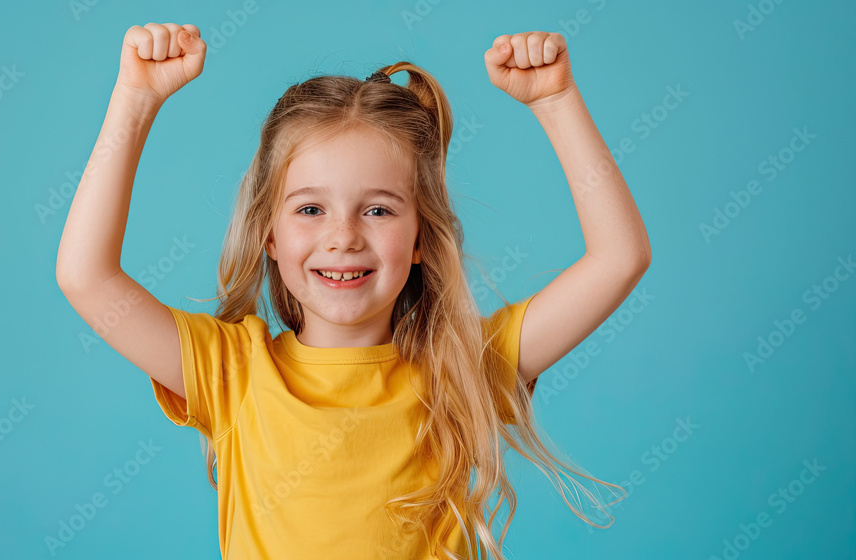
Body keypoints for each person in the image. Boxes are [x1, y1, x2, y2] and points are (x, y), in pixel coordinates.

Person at [56, 22, 651, 560]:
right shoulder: (231, 371)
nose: (343, 238)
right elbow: (86, 276)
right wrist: (134, 102)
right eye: (310, 208)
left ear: (422, 236)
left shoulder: (461, 367)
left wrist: (556, 102)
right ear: (268, 232)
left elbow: (619, 260)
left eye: (378, 210)